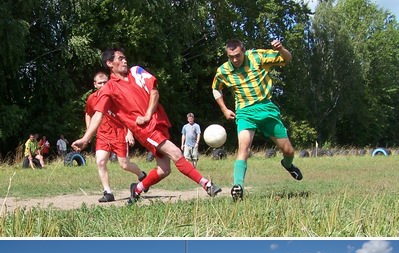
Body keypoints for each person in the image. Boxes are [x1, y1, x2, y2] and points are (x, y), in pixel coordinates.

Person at [72, 48, 221, 203]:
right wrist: (85, 138)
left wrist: (148, 114)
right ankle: (207, 185)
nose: (125, 61)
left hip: (159, 122)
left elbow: (154, 92)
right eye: (120, 58)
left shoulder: (136, 71)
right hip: (145, 130)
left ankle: (137, 189)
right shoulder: (109, 88)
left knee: (164, 170)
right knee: (176, 152)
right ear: (110, 63)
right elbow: (97, 114)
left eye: (125, 58)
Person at [212, 39, 302, 201]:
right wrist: (224, 109)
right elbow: (216, 89)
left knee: (288, 151)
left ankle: (288, 165)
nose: (234, 60)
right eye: (230, 57)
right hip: (245, 112)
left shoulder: (257, 57)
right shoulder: (223, 71)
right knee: (243, 148)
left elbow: (287, 59)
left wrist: (281, 49)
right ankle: (237, 186)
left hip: (267, 109)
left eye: (237, 55)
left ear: (244, 51)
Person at [85, 71, 147, 203]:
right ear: (95, 84)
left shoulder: (117, 97)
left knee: (124, 165)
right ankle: (108, 192)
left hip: (119, 134)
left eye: (105, 82)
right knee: (100, 162)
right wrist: (88, 133)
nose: (103, 85)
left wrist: (129, 133)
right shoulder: (92, 98)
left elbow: (129, 115)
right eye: (100, 83)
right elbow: (88, 114)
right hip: (102, 135)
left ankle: (142, 176)